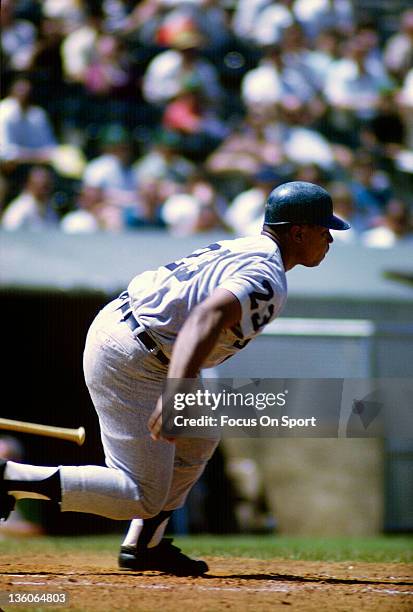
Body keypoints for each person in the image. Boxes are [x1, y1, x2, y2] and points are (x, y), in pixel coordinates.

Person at [0, 181, 350, 575]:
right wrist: (177, 391)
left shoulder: (246, 248)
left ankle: (145, 546)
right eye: (324, 230)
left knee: (199, 437)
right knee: (140, 495)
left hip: (136, 337)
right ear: (298, 231)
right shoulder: (267, 274)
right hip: (136, 354)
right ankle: (11, 477)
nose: (330, 239)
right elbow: (207, 316)